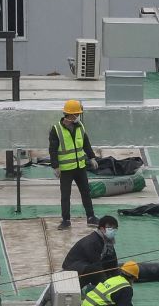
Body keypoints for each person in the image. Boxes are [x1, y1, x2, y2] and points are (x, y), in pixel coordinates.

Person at [49, 99, 99, 230]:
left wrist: (92, 157)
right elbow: (52, 149)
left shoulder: (80, 126)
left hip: (80, 167)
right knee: (65, 196)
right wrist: (55, 166)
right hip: (66, 169)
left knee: (85, 192)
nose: (78, 116)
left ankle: (91, 217)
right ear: (70, 115)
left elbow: (86, 143)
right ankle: (66, 220)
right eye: (77, 114)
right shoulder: (56, 130)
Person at [61, 214, 120, 288]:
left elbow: (113, 261)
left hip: (86, 266)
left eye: (115, 228)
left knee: (113, 266)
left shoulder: (108, 242)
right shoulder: (92, 242)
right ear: (102, 229)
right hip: (72, 269)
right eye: (110, 228)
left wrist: (118, 278)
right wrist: (108, 284)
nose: (113, 230)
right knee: (97, 270)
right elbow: (96, 263)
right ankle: (104, 289)